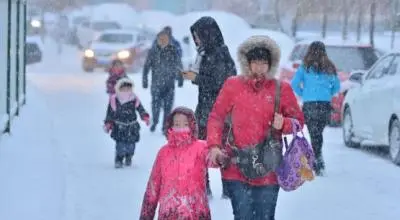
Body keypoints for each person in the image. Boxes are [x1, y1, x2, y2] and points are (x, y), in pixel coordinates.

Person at [207, 35, 305, 219]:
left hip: (268, 166)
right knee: (242, 215)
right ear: (247, 63)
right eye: (255, 62)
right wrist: (214, 145)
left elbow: (299, 121)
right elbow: (216, 117)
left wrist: (284, 123)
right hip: (236, 164)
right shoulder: (233, 85)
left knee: (264, 216)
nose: (259, 67)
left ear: (271, 64)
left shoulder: (280, 89)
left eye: (263, 63)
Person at [182, 16, 237, 199]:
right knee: (202, 150)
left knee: (218, 150)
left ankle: (226, 190)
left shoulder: (219, 54)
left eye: (198, 36)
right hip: (206, 107)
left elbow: (220, 83)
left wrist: (195, 78)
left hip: (218, 112)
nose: (196, 40)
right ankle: (204, 188)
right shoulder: (206, 52)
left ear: (207, 34)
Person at [140, 107, 222, 220]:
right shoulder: (163, 153)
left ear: (192, 126)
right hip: (169, 213)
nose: (181, 128)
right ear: (170, 126)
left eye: (185, 124)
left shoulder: (200, 148)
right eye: (177, 124)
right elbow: (153, 187)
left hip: (195, 211)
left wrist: (220, 158)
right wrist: (146, 215)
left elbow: (213, 159)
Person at [291, 41, 340, 176]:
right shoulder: (329, 67)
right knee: (318, 133)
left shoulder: (304, 67)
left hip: (310, 104)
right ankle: (317, 159)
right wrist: (327, 93)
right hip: (324, 105)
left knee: (314, 133)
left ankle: (316, 159)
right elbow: (336, 86)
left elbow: (294, 84)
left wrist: (304, 94)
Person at [103, 78, 150, 168]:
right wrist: (108, 122)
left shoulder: (134, 98)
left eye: (128, 88)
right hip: (119, 126)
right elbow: (110, 113)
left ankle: (129, 156)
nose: (126, 90)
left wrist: (145, 116)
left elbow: (140, 109)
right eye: (124, 88)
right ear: (119, 88)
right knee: (120, 145)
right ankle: (119, 159)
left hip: (132, 126)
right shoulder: (114, 99)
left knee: (131, 146)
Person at [143, 30, 184, 133]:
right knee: (155, 105)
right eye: (160, 38)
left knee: (167, 106)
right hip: (156, 84)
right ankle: (155, 121)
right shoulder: (152, 51)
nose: (162, 40)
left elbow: (178, 64)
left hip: (169, 84)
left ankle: (165, 126)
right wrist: (145, 80)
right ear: (157, 39)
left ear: (168, 39)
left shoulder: (173, 50)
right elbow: (146, 66)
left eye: (165, 38)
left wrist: (180, 78)